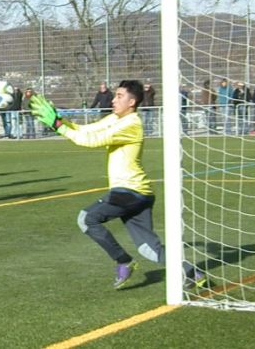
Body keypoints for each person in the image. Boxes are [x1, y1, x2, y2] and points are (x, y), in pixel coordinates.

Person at [29, 79, 207, 290]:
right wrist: (58, 120)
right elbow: (85, 130)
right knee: (148, 249)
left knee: (87, 219)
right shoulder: (116, 118)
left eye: (119, 96)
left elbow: (92, 141)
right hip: (140, 193)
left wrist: (58, 126)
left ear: (132, 102)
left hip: (129, 191)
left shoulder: (132, 124)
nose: (114, 100)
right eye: (115, 95)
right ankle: (192, 273)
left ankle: (124, 261)